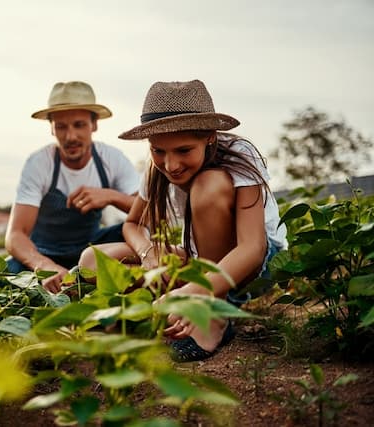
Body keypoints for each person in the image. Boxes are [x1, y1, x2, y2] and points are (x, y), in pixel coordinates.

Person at [78, 80, 287, 362]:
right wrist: (148, 253)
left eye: (184, 151)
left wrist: (192, 290)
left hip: (252, 266)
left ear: (210, 137)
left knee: (208, 184)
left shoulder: (239, 156)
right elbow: (133, 224)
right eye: (158, 151)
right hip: (199, 260)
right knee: (91, 260)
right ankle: (165, 307)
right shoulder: (157, 169)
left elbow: (252, 248)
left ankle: (211, 313)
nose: (171, 165)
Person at [5, 81, 140, 293]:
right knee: (8, 273)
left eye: (79, 125)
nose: (70, 137)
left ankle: (128, 277)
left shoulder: (113, 160)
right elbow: (15, 236)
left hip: (90, 247)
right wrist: (45, 267)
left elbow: (151, 213)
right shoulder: (39, 163)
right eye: (61, 127)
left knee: (132, 229)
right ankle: (79, 279)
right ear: (51, 128)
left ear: (94, 124)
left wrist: (112, 196)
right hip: (44, 251)